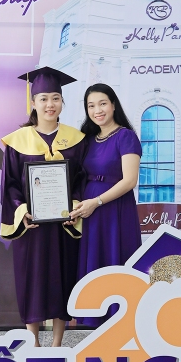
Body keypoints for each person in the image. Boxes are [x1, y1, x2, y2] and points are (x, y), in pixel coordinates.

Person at [0, 66, 87, 347]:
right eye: (44, 99)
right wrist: (21, 211)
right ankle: (33, 341)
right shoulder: (18, 141)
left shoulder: (76, 140)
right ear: (33, 103)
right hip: (32, 226)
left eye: (55, 98)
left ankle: (57, 343)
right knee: (32, 279)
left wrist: (75, 206)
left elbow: (81, 179)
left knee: (63, 276)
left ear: (62, 102)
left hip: (64, 224)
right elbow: (10, 184)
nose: (50, 104)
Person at [70, 83, 142, 326]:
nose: (97, 110)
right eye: (91, 106)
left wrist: (97, 201)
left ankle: (118, 323)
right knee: (93, 261)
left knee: (114, 259)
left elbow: (130, 180)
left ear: (113, 105)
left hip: (114, 210)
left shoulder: (126, 136)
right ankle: (93, 322)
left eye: (102, 104)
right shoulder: (88, 139)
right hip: (90, 211)